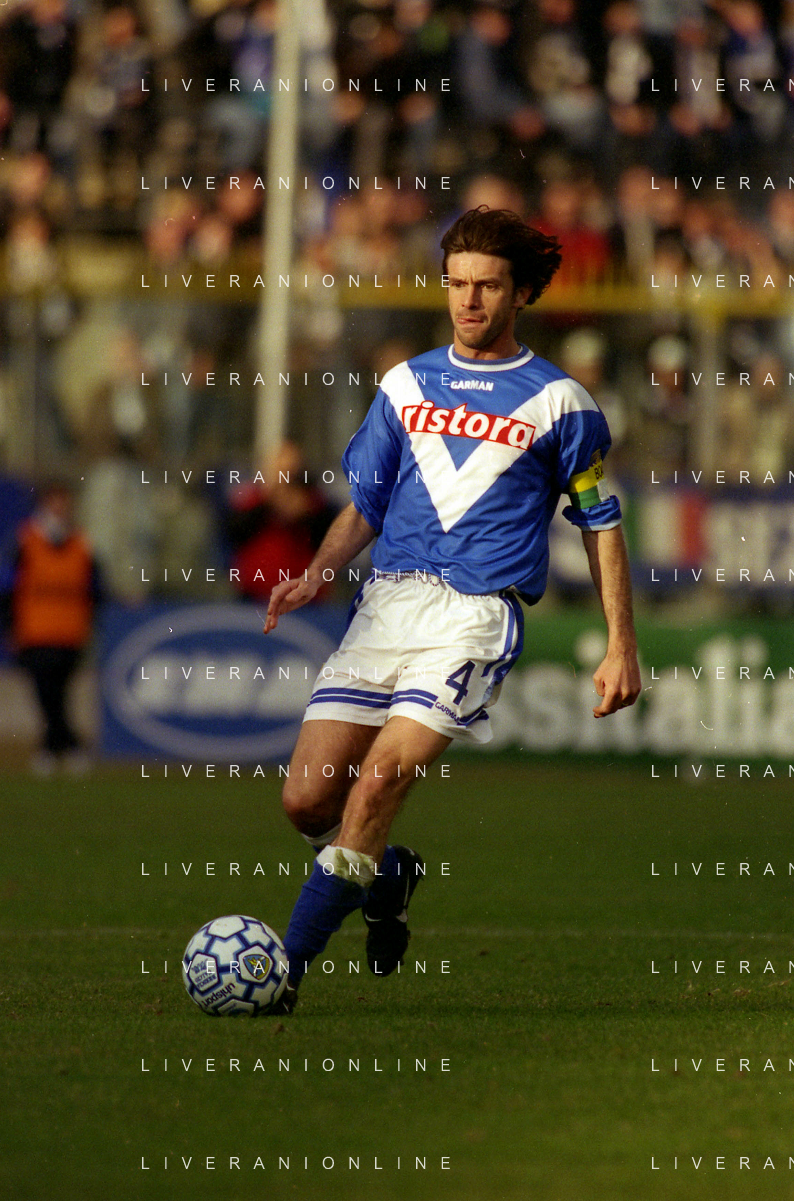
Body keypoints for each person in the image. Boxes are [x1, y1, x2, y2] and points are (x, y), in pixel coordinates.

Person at [264, 207, 641, 1013]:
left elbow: (600, 523)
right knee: (307, 801)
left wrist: (621, 643)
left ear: (520, 293)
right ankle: (386, 875)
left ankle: (280, 973)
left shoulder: (561, 402)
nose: (469, 300)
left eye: (487, 286)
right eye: (457, 283)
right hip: (385, 607)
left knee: (378, 782)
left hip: (473, 617)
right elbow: (366, 505)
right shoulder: (405, 384)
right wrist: (315, 573)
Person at [0, 481, 101, 774]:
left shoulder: (82, 542)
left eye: (64, 502)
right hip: (35, 630)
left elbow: (96, 589)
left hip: (71, 631)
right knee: (46, 693)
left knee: (59, 693)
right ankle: (68, 746)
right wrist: (9, 626)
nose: (60, 508)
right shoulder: (25, 539)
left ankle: (51, 748)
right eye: (54, 502)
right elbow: (4, 588)